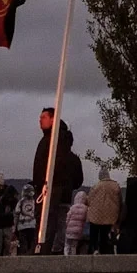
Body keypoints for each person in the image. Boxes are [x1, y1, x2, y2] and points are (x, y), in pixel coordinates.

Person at [30, 108, 82, 254]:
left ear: (53, 119)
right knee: (48, 220)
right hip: (46, 187)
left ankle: (46, 249)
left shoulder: (56, 140)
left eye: (44, 117)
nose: (40, 120)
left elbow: (58, 164)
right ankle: (42, 248)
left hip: (53, 189)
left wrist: (52, 182)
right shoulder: (48, 139)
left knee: (51, 221)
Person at [86, 167, 121, 254]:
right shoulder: (115, 186)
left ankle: (93, 249)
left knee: (93, 235)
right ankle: (105, 252)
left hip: (95, 216)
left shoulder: (95, 186)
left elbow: (89, 200)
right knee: (105, 236)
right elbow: (120, 201)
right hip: (109, 216)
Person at [63, 188, 89, 255]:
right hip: (78, 230)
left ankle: (66, 255)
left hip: (69, 229)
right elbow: (86, 220)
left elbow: (68, 217)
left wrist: (66, 224)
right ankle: (73, 257)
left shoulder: (72, 207)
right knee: (74, 246)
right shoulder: (86, 209)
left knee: (67, 244)